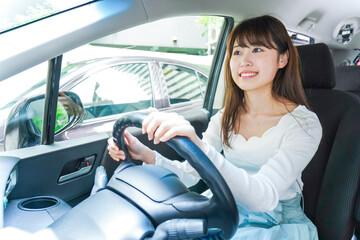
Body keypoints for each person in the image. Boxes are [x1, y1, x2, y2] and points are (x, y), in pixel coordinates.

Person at [108, 15, 322, 239]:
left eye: (257, 50)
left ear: (282, 59)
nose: (244, 61)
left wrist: (199, 146)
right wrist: (146, 154)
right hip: (224, 208)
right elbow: (191, 175)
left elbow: (263, 197)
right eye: (238, 52)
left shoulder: (303, 124)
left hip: (275, 224)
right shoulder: (225, 117)